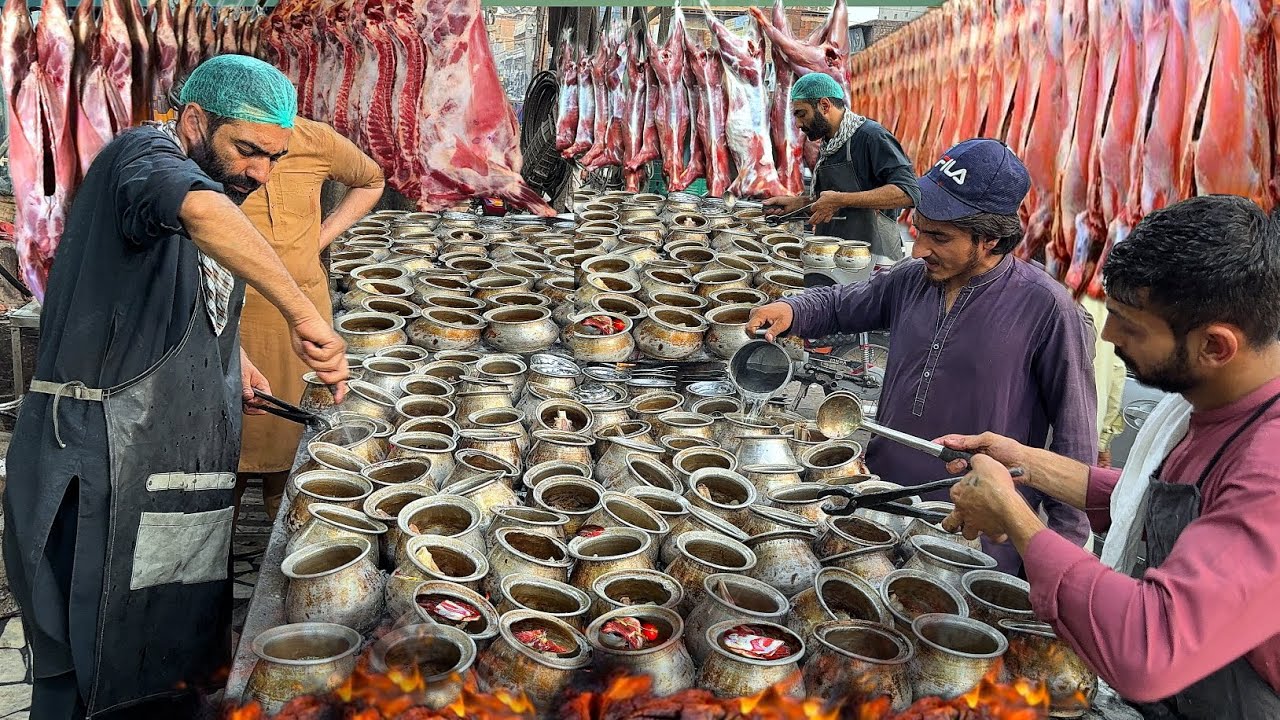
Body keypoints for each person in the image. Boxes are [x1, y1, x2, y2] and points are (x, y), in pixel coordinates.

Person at [2, 56, 349, 719]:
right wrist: (304, 313)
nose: (260, 172)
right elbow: (197, 213)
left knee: (168, 663)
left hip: (166, 481)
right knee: (93, 674)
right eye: (249, 151)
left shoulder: (205, 177)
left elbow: (179, 283)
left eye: (274, 157)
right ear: (195, 120)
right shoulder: (144, 155)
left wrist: (229, 355)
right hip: (101, 473)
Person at [937, 195, 1280, 718]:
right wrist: (1024, 461)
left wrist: (1014, 515)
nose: (1109, 335)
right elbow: (1146, 498)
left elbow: (1150, 648)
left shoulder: (1269, 470)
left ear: (1216, 346)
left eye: (1130, 325)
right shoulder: (1220, 401)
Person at [746, 138, 1097, 575]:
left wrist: (1059, 564)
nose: (919, 249)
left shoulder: (1048, 309)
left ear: (989, 239)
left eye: (939, 237)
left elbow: (1075, 448)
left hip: (972, 533)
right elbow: (842, 303)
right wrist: (793, 309)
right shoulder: (913, 280)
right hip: (878, 505)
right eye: (918, 230)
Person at [237, 116, 384, 521]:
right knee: (222, 453)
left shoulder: (314, 139)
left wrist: (317, 239)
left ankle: (285, 529)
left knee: (294, 443)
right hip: (231, 316)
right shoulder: (216, 147)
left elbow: (371, 181)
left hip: (300, 318)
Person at [762, 72, 920, 271]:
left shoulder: (871, 136)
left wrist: (840, 200)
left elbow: (909, 193)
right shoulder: (830, 142)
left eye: (802, 114)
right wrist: (799, 204)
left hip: (873, 262)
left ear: (825, 106)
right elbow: (831, 199)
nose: (799, 124)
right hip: (833, 257)